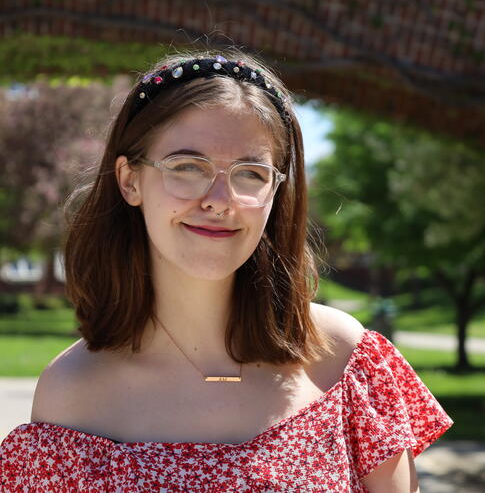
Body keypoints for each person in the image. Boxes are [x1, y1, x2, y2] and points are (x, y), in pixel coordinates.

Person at [0, 49, 452, 492]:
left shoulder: (344, 361)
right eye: (187, 167)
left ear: (275, 191)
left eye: (250, 173)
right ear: (129, 180)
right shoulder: (71, 394)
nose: (220, 200)